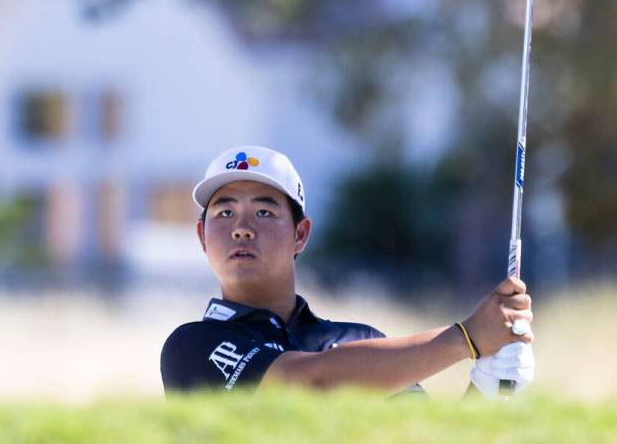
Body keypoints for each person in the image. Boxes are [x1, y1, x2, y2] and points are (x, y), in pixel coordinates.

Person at [161, 145, 535, 397]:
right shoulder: (192, 346)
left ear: (300, 234)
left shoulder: (360, 341)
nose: (242, 227)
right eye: (224, 213)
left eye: (264, 212)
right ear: (202, 236)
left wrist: (490, 385)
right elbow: (307, 381)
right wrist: (466, 338)